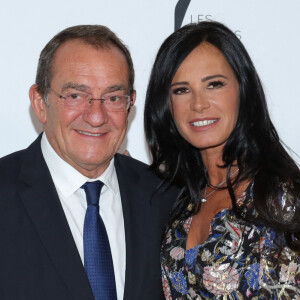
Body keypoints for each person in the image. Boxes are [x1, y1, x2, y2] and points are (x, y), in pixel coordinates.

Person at [0, 25, 178, 300]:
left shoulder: (165, 198)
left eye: (113, 98)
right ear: (40, 102)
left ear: (130, 104)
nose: (96, 116)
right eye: (75, 96)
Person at [144, 21, 300, 299]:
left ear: (243, 89)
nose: (198, 104)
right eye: (181, 89)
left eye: (214, 84)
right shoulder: (180, 202)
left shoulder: (281, 198)